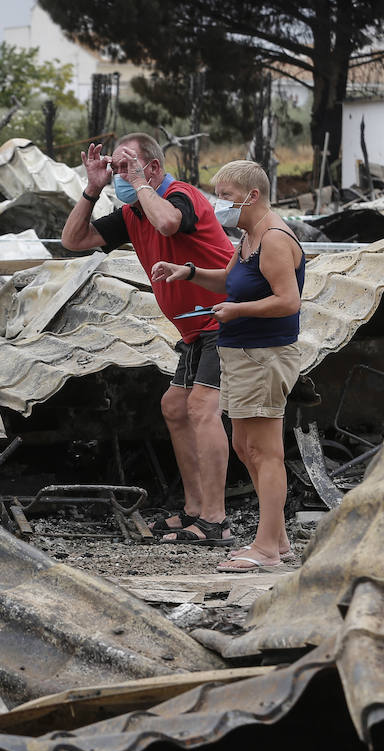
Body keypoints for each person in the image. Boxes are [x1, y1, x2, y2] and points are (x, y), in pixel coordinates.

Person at [61, 133, 237, 545]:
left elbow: (169, 223)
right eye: (117, 168)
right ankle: (194, 508)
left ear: (153, 168)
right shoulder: (132, 213)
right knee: (174, 406)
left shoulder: (181, 197)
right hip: (195, 330)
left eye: (126, 166)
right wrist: (92, 188)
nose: (119, 175)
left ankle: (216, 520)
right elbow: (73, 241)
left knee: (201, 408)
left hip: (226, 319)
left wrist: (139, 181)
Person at [150, 160, 303, 571]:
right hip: (240, 355)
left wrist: (237, 312)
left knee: (265, 450)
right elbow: (230, 281)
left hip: (264, 355)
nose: (220, 203)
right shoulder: (248, 237)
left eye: (227, 195)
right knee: (243, 446)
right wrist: (189, 273)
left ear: (251, 196)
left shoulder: (272, 237)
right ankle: (280, 540)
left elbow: (289, 301)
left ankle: (267, 549)